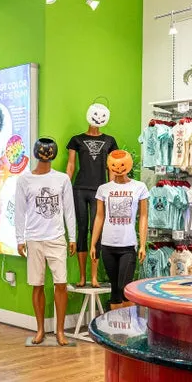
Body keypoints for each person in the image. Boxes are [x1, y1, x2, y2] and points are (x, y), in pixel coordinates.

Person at [15, 137, 77, 345]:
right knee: (37, 285)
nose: (45, 155)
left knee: (61, 283)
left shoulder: (62, 179)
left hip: (57, 238)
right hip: (34, 238)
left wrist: (73, 237)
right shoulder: (24, 180)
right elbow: (20, 211)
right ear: (36, 152)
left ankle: (60, 331)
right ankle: (40, 329)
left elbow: (69, 209)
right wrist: (19, 238)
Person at [65, 102, 118, 287]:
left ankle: (94, 276)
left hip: (101, 191)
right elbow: (71, 165)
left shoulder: (110, 141)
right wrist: (65, 185)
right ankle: (82, 277)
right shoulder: (76, 140)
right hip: (79, 189)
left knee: (96, 232)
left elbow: (111, 166)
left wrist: (111, 189)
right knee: (81, 230)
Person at [90, 150, 148, 310]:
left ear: (128, 165)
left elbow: (143, 216)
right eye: (114, 165)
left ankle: (129, 326)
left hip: (128, 246)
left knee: (125, 289)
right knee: (114, 289)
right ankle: (115, 331)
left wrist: (142, 245)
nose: (118, 168)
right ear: (109, 166)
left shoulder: (139, 187)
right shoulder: (103, 189)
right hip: (107, 245)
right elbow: (99, 217)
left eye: (122, 164)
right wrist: (93, 244)